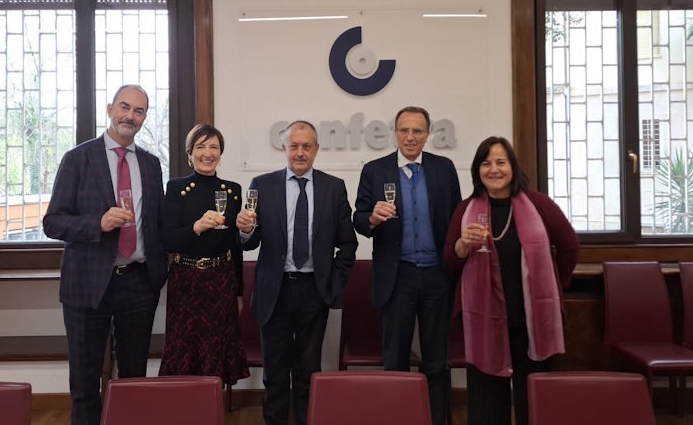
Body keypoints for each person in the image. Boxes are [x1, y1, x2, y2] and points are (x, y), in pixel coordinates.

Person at [43, 84, 168, 425]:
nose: (131, 116)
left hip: (139, 284)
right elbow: (53, 222)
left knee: (133, 380)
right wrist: (97, 223)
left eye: (139, 111)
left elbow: (157, 224)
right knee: (85, 382)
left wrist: (159, 271)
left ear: (144, 117)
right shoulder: (78, 158)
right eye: (125, 107)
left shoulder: (151, 164)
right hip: (88, 284)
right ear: (110, 109)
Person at [443, 136, 580, 425]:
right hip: (484, 323)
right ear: (477, 170)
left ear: (513, 167)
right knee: (486, 408)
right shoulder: (466, 210)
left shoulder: (539, 204)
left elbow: (570, 246)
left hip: (533, 322)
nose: (493, 169)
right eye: (486, 163)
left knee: (537, 403)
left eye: (500, 162)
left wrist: (556, 286)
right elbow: (450, 260)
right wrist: (462, 244)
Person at [236, 120, 357, 425]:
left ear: (316, 149)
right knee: (275, 376)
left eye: (306, 146)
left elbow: (348, 243)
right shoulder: (262, 185)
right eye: (294, 146)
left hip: (314, 291)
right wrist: (246, 230)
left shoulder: (334, 188)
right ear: (284, 148)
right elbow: (250, 241)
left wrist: (335, 280)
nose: (299, 153)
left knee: (308, 372)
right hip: (274, 292)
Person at [353, 106, 461, 425]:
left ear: (427, 135)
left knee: (437, 364)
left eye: (417, 131)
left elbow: (456, 217)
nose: (410, 137)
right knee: (395, 363)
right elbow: (358, 219)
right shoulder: (375, 170)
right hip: (396, 279)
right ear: (395, 133)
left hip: (437, 277)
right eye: (404, 130)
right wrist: (372, 219)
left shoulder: (444, 168)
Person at [158, 123, 249, 384]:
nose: (207, 153)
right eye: (200, 147)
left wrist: (239, 292)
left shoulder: (232, 190)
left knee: (216, 351)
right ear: (190, 154)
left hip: (222, 281)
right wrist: (196, 227)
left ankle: (213, 405)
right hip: (186, 281)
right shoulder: (176, 188)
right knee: (184, 351)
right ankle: (185, 406)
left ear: (220, 153)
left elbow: (235, 246)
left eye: (214, 147)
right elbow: (167, 240)